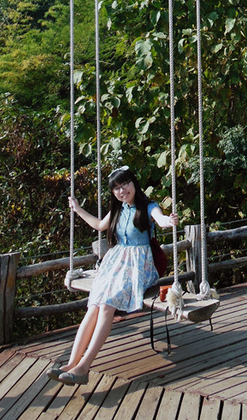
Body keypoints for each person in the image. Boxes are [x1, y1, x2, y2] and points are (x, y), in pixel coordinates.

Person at [47, 165, 178, 385]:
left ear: (133, 183)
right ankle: (71, 363)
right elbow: (99, 225)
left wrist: (168, 221)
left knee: (107, 305)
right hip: (116, 263)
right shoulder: (118, 209)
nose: (121, 191)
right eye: (116, 188)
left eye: (124, 184)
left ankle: (84, 367)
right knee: (94, 305)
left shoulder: (148, 206)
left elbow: (161, 219)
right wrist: (78, 209)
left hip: (140, 266)